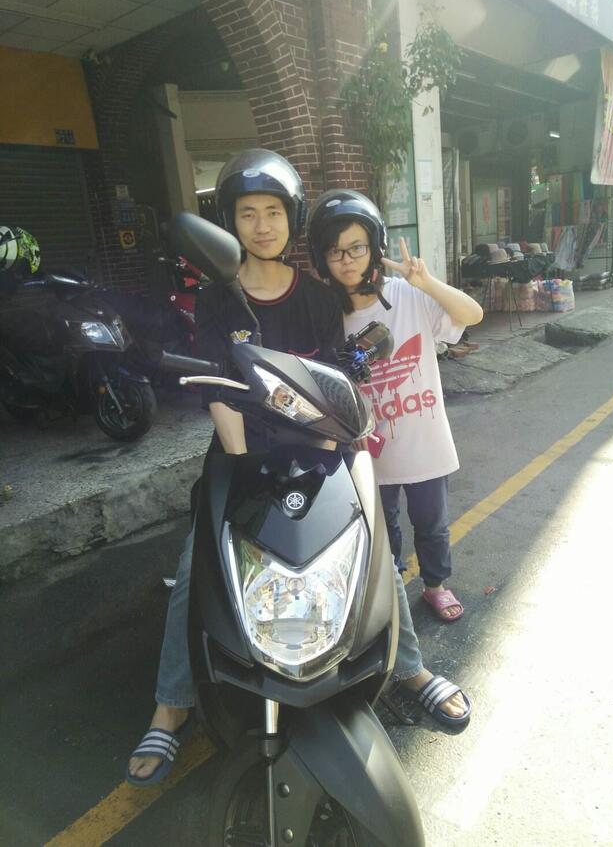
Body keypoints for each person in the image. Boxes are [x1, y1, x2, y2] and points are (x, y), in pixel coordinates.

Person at [127, 153, 469, 787]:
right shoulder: (220, 298)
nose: (262, 226)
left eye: (274, 213)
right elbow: (221, 393)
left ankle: (409, 667)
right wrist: (242, 466)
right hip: (242, 453)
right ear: (229, 224)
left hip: (317, 452)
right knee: (198, 563)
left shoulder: (315, 296)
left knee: (372, 545)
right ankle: (171, 703)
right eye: (247, 214)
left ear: (292, 220)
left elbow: (338, 378)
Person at [307, 189, 483, 623]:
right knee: (381, 528)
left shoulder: (408, 295)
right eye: (335, 251)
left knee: (432, 524)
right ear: (322, 259)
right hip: (370, 449)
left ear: (374, 247)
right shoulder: (328, 316)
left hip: (424, 443)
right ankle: (394, 587)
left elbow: (473, 315)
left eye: (356, 247)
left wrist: (428, 283)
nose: (347, 260)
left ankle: (436, 585)